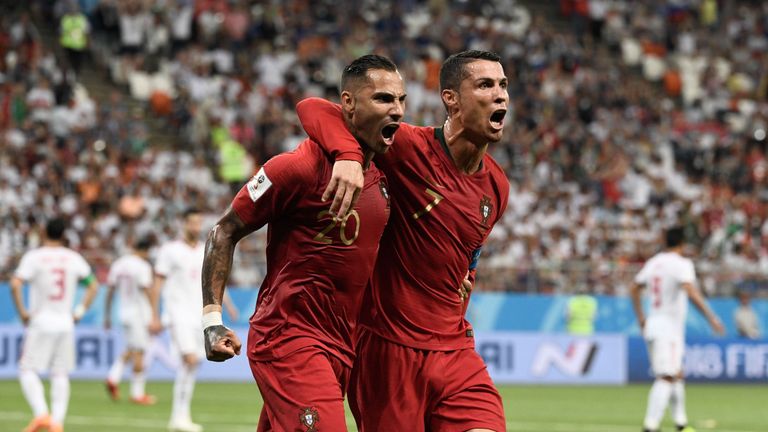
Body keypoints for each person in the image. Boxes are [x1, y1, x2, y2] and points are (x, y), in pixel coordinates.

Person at [295, 50, 510, 432]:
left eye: (503, 85)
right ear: (451, 99)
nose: (500, 95)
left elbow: (469, 257)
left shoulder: (496, 187)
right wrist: (346, 155)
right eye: (485, 85)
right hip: (388, 350)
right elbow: (312, 107)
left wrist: (464, 281)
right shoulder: (406, 146)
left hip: (455, 349)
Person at [201, 54, 403, 432]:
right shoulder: (294, 169)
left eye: (401, 100)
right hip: (289, 337)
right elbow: (223, 232)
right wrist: (212, 320)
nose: (397, 110)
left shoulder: (384, 174)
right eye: (383, 99)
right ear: (348, 103)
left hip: (342, 346)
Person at [630, 226, 725, 432]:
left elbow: (634, 288)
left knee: (676, 374)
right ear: (682, 243)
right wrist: (711, 317)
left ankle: (681, 424)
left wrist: (641, 318)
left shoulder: (653, 262)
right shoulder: (681, 264)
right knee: (666, 376)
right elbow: (690, 291)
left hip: (654, 323)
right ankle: (650, 426)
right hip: (668, 329)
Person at [10, 218, 100, 432]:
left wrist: (23, 312)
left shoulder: (34, 257)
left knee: (27, 369)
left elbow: (15, 283)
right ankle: (57, 422)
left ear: (43, 232)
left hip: (41, 321)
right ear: (64, 235)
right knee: (60, 373)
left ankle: (41, 414)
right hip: (65, 322)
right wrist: (78, 312)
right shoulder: (73, 258)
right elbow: (93, 285)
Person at [104, 236, 158, 405]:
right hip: (138, 314)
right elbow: (146, 290)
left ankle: (113, 377)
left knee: (130, 348)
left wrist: (107, 315)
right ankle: (137, 393)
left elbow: (110, 290)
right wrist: (154, 314)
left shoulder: (118, 264)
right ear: (145, 250)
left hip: (123, 312)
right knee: (140, 352)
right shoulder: (142, 266)